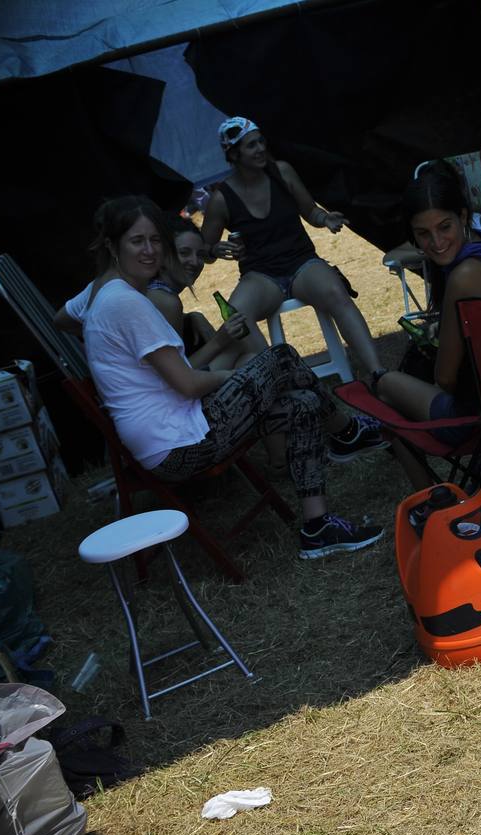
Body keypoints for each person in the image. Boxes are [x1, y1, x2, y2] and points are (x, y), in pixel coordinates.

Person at [81, 195, 389, 559]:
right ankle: (345, 432)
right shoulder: (127, 302)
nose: (149, 251)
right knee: (282, 358)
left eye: (154, 241)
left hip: (175, 430)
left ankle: (317, 527)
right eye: (137, 241)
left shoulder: (108, 292)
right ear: (113, 245)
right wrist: (236, 376)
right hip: (176, 445)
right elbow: (189, 383)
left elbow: (69, 318)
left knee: (303, 404)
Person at [370, 162, 481, 489]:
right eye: (423, 234)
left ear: (461, 216)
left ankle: (431, 499)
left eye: (444, 226)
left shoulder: (464, 276)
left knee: (383, 387)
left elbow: (445, 378)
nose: (436, 242)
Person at [200, 116, 385, 385]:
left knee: (336, 293)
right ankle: (281, 382)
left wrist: (325, 219)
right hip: (261, 275)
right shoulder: (221, 199)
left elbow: (309, 210)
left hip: (301, 263)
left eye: (261, 142)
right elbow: (203, 251)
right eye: (251, 145)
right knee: (236, 314)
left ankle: (378, 373)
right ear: (234, 154)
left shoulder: (282, 172)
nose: (261, 149)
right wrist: (216, 249)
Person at [54, 215, 253, 371]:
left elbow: (61, 319)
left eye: (200, 255)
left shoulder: (129, 282)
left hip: (151, 389)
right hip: (168, 402)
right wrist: (220, 341)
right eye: (184, 253)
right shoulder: (164, 300)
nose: (195, 262)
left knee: (247, 358)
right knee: (245, 353)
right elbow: (179, 377)